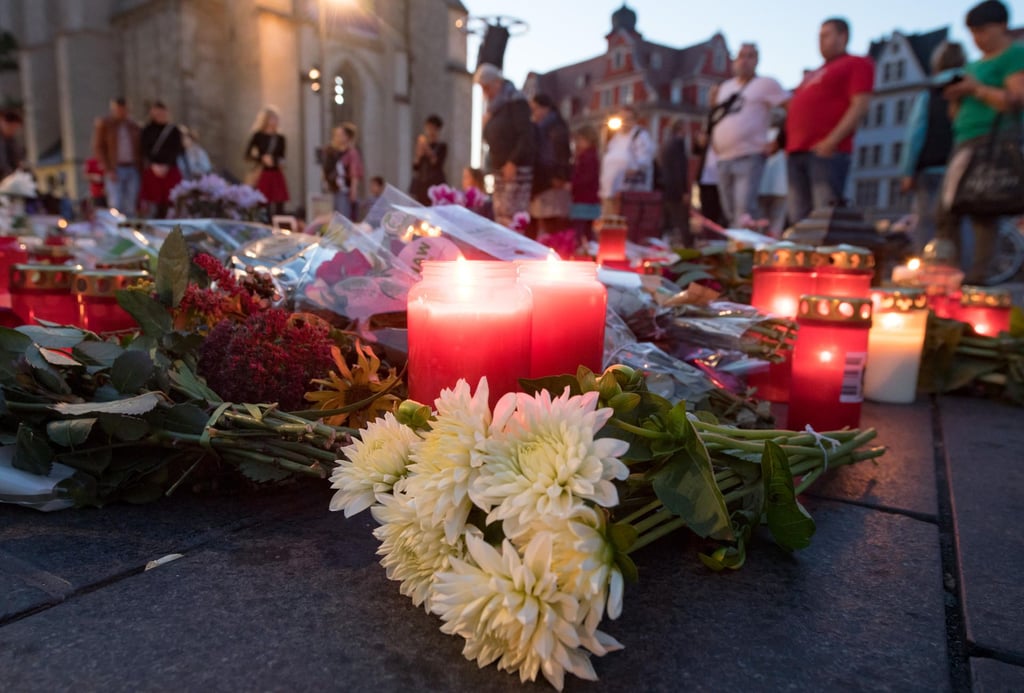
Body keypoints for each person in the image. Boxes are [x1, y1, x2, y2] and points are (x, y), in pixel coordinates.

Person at [938, 0, 1024, 284]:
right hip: (965, 140)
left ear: (1002, 26)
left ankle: (977, 280)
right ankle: (948, 275)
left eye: (983, 30)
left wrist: (976, 89)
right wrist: (956, 97)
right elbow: (957, 114)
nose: (977, 38)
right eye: (973, 32)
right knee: (949, 209)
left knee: (984, 209)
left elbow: (1015, 99)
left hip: (993, 141)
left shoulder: (1014, 55)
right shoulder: (973, 65)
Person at [785, 18, 875, 223]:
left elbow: (860, 104)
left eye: (826, 35)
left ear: (842, 36)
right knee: (798, 217)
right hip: (797, 150)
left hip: (825, 151)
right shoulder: (814, 73)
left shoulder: (856, 63)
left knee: (824, 218)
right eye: (819, 36)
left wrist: (833, 140)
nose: (820, 41)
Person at [897, 41, 967, 254]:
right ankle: (964, 273)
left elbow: (916, 134)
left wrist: (907, 172)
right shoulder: (971, 86)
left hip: (932, 168)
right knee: (962, 222)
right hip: (964, 165)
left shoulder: (930, 93)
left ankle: (926, 270)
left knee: (927, 222)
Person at [711, 43, 789, 227]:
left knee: (744, 212)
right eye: (741, 56)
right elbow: (717, 117)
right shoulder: (725, 87)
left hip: (749, 155)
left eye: (750, 56)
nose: (744, 61)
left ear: (757, 60)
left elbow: (791, 108)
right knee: (730, 212)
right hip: (723, 158)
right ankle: (738, 248)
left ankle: (746, 252)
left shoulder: (766, 84)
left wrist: (779, 140)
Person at [473, 63, 535, 229]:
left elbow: (525, 135)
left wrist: (513, 162)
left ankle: (516, 253)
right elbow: (491, 137)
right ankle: (504, 252)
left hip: (515, 169)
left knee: (513, 218)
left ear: (497, 83)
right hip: (500, 168)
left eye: (486, 87)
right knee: (501, 215)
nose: (485, 93)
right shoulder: (495, 108)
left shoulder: (516, 102)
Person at [528, 93, 572, 237]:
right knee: (544, 222)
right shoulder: (543, 128)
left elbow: (560, 154)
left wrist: (559, 176)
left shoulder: (554, 128)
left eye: (535, 109)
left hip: (551, 181)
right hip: (544, 181)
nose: (533, 113)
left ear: (545, 108)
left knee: (551, 224)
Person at [599, 106, 655, 216]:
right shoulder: (616, 137)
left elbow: (644, 160)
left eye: (628, 119)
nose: (625, 122)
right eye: (622, 118)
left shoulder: (640, 136)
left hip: (629, 192)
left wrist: (632, 170)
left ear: (634, 120)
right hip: (610, 191)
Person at [92, 97, 141, 216]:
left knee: (130, 202)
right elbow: (98, 147)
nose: (121, 112)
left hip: (132, 167)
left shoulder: (133, 126)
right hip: (115, 168)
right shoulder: (106, 125)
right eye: (118, 109)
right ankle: (116, 229)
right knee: (116, 203)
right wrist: (108, 168)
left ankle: (130, 230)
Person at [139, 101, 184, 218]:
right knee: (153, 201)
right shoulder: (147, 130)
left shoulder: (174, 131)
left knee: (171, 200)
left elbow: (177, 149)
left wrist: (166, 165)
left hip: (169, 169)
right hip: (153, 170)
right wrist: (154, 165)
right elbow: (144, 148)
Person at [246, 106, 289, 216]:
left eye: (276, 119)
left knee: (279, 203)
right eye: (272, 118)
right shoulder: (258, 136)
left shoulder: (280, 138)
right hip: (263, 173)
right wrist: (262, 158)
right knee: (264, 203)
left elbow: (282, 156)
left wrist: (276, 161)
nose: (274, 121)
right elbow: (248, 154)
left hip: (276, 173)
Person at [657, 118, 691, 245]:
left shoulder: (667, 144)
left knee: (667, 221)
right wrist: (684, 191)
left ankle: (662, 244)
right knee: (682, 222)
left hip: (667, 188)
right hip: (676, 191)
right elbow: (679, 169)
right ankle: (687, 249)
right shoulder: (678, 144)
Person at [321, 122, 364, 219]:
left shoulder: (351, 153)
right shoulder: (331, 151)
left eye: (340, 135)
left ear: (347, 137)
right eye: (336, 135)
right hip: (332, 188)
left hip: (344, 190)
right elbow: (325, 168)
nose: (337, 137)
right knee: (331, 216)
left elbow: (354, 173)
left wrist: (353, 190)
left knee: (342, 216)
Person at [569, 125, 600, 241]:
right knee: (587, 231)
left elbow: (586, 177)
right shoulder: (590, 155)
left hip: (583, 198)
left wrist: (573, 184)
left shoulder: (587, 157)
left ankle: (582, 251)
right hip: (589, 198)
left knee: (580, 230)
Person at [409, 114, 447, 205]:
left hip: (435, 183)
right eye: (428, 128)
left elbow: (435, 162)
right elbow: (416, 166)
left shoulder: (442, 146)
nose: (429, 131)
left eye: (432, 128)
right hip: (421, 184)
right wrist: (419, 152)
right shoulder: (422, 146)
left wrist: (426, 146)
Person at [0, 110, 24, 180]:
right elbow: (2, 163)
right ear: (4, 122)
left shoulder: (10, 140)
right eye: (12, 128)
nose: (14, 131)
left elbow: (17, 158)